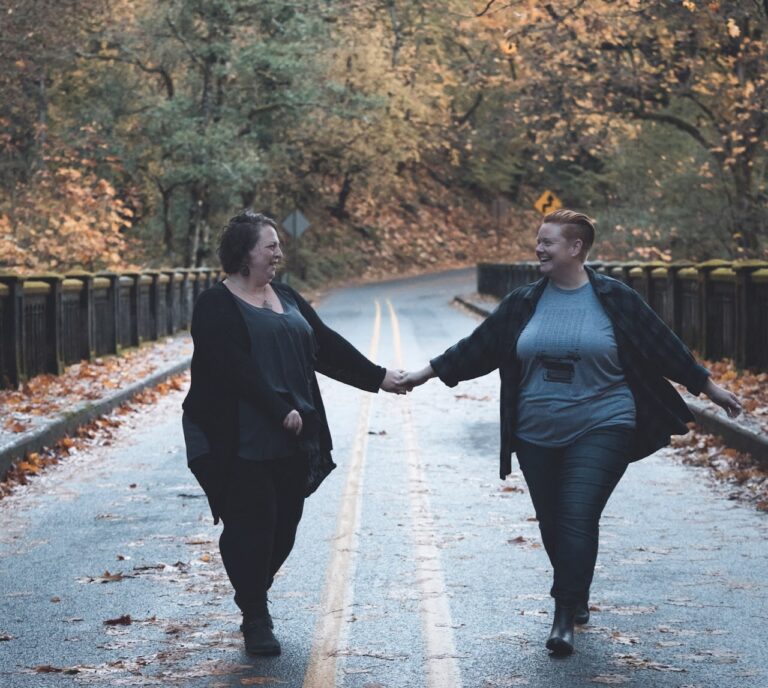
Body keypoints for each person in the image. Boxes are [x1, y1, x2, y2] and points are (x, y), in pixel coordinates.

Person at [402, 209, 742, 656]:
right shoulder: (524, 302)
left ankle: (564, 616)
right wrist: (424, 373)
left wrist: (709, 388)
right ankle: (575, 588)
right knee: (553, 521)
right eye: (538, 241)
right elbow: (478, 347)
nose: (538, 248)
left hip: (604, 422)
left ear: (576, 248)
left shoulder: (614, 299)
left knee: (578, 514)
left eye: (548, 242)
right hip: (535, 430)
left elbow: (663, 345)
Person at [181, 210, 407, 656]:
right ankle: (256, 617)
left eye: (278, 245)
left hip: (292, 435)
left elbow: (324, 345)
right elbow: (232, 369)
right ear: (245, 254)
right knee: (253, 523)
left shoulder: (285, 295)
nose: (278, 253)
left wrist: (379, 377)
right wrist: (277, 407)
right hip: (239, 436)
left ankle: (250, 587)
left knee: (285, 526)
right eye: (270, 245)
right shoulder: (216, 304)